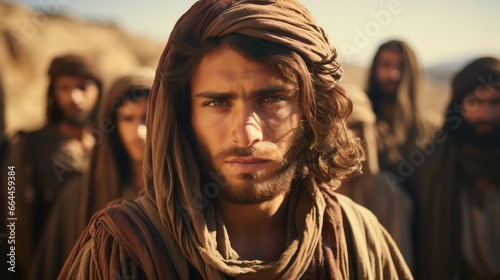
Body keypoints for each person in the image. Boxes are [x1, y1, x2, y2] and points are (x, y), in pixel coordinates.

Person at [60, 1, 412, 279]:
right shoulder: (124, 250)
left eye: (271, 99)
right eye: (217, 103)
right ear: (184, 116)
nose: (246, 133)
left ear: (311, 109)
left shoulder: (357, 239)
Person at [28, 69, 153, 280]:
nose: (139, 131)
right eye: (127, 118)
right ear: (112, 125)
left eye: (148, 118)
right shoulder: (77, 195)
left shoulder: (179, 193)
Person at [4, 54, 102, 278]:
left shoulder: (111, 146)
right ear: (52, 93)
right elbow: (12, 219)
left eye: (82, 87)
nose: (74, 97)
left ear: (99, 91)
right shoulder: (27, 146)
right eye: (64, 88)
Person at [411, 57, 500, 279]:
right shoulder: (430, 166)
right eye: (474, 102)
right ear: (458, 106)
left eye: (495, 103)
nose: (485, 114)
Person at [337, 83, 415, 271]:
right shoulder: (303, 190)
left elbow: (397, 265)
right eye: (337, 124)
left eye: (354, 126)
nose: (345, 135)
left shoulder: (390, 195)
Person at [366, 40, 435, 175]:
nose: (393, 75)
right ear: (375, 68)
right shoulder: (360, 123)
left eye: (401, 67)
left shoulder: (431, 132)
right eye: (386, 65)